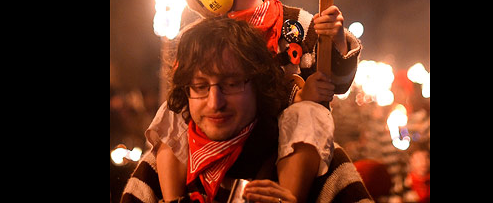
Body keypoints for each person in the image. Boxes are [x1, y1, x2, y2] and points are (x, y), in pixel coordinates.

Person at [147, 0, 363, 203]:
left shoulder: (297, 25)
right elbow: (187, 101)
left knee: (307, 112)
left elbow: (338, 83)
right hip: (220, 138)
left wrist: (336, 41)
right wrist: (296, 92)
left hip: (281, 146)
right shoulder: (198, 41)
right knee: (172, 108)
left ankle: (286, 197)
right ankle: (172, 198)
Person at [121, 17, 372, 203]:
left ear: (260, 84)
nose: (215, 101)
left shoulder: (318, 156)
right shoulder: (157, 169)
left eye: (231, 84)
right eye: (199, 86)